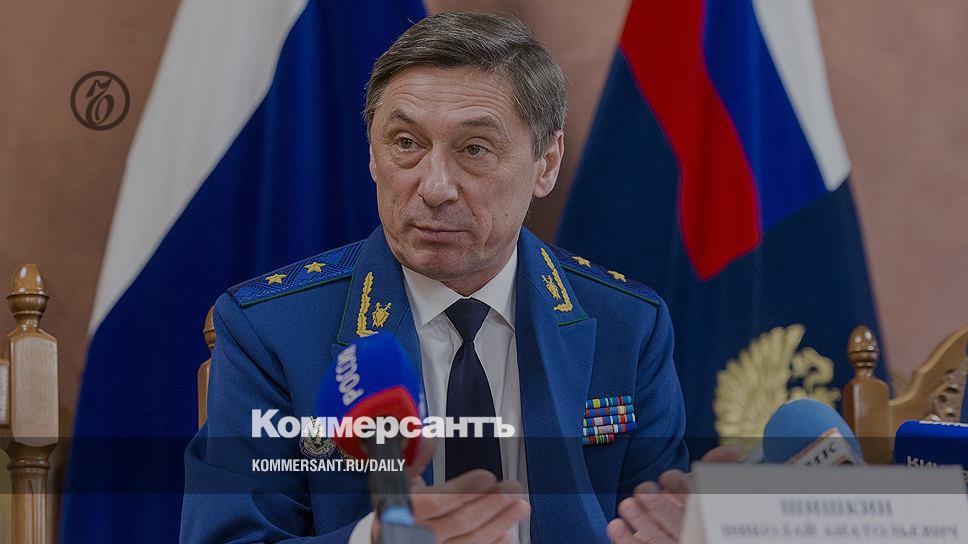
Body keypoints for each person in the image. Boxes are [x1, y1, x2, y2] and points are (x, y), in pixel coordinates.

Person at [180, 11, 713, 544]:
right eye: (406, 143)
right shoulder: (273, 330)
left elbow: (653, 522)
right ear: (373, 155)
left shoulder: (627, 323)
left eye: (474, 149)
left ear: (546, 163)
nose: (434, 188)